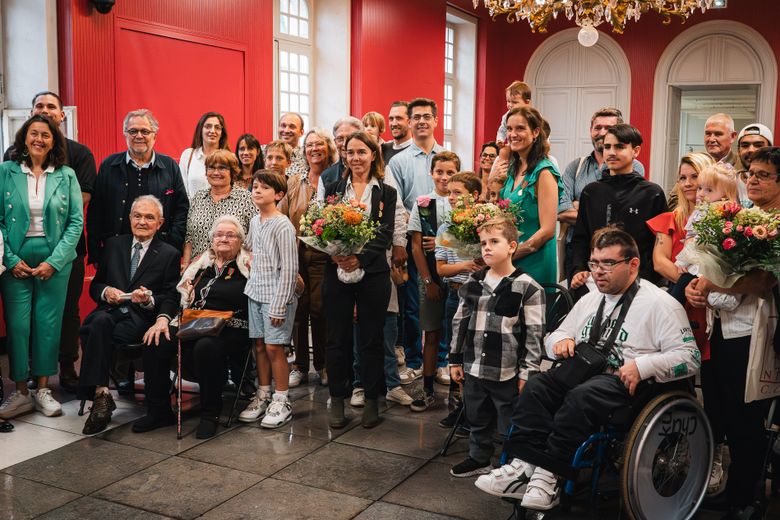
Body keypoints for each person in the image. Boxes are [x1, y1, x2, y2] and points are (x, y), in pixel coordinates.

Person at [477, 227, 700, 512]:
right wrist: (562, 341)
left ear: (633, 264)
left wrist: (643, 366)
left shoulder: (661, 305)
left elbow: (690, 357)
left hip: (626, 383)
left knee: (582, 396)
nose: (598, 272)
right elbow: (553, 337)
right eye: (594, 263)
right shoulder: (591, 299)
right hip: (584, 371)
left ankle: (550, 475)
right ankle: (524, 466)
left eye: (608, 263)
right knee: (538, 386)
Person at [687, 146, 780, 518]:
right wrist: (700, 284)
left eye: (763, 174)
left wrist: (714, 287)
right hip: (724, 328)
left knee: (748, 419)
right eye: (749, 173)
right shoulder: (741, 217)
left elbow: (763, 281)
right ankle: (734, 490)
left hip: (759, 331)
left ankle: (748, 496)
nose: (752, 179)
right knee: (721, 411)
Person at [2, 91, 98, 394]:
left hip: (60, 253)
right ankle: (22, 385)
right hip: (15, 254)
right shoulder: (7, 167)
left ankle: (55, 379)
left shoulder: (72, 166)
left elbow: (77, 213)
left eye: (46, 134)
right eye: (34, 132)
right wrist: (9, 258)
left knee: (55, 319)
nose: (39, 138)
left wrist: (55, 260)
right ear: (25, 133)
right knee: (18, 323)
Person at [646, 155, 728, 496]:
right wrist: (689, 279)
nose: (689, 183)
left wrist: (701, 283)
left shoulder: (719, 217)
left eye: (696, 177)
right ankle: (666, 450)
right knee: (673, 380)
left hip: (710, 305)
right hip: (679, 303)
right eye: (683, 177)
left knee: (712, 386)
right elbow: (660, 260)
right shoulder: (675, 218)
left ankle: (713, 455)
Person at [137, 215, 251, 438]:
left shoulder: (248, 265)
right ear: (211, 239)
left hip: (232, 327)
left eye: (230, 235)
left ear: (241, 240)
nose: (224, 239)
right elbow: (177, 295)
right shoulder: (201, 265)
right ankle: (158, 411)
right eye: (219, 234)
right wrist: (162, 320)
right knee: (155, 339)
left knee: (206, 346)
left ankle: (210, 413)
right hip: (193, 322)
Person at [448, 216, 545, 477]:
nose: (487, 248)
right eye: (483, 244)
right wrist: (454, 360)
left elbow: (535, 335)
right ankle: (478, 458)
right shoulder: (473, 282)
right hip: (474, 366)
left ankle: (509, 464)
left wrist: (528, 371)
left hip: (507, 370)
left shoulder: (528, 287)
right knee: (476, 415)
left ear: (512, 246)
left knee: (508, 419)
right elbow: (460, 322)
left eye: (494, 242)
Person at [74, 195, 180, 434]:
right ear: (130, 218)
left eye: (149, 217)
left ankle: (99, 396)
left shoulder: (168, 253)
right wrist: (106, 292)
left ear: (160, 223)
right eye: (138, 216)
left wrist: (149, 300)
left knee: (92, 327)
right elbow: (96, 285)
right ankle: (101, 393)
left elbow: (172, 296)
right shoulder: (114, 245)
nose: (142, 221)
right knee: (99, 321)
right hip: (110, 312)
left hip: (139, 319)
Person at [321, 131, 398, 429]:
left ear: (373, 155)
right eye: (350, 152)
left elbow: (386, 232)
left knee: (371, 339)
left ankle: (371, 401)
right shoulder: (332, 188)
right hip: (336, 270)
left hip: (374, 273)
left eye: (361, 152)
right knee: (336, 339)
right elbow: (321, 226)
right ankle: (337, 400)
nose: (355, 158)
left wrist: (360, 258)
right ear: (344, 156)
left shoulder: (386, 192)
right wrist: (337, 254)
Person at [386, 98, 445, 385]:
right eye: (416, 117)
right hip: (413, 240)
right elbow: (396, 202)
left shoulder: (447, 157)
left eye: (427, 116)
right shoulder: (397, 162)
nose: (422, 121)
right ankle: (413, 359)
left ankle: (443, 360)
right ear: (410, 123)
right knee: (412, 305)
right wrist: (417, 227)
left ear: (436, 120)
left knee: (443, 301)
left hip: (445, 242)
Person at [570, 124, 667, 292]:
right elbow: (581, 238)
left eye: (619, 147)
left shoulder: (652, 193)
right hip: (595, 282)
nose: (611, 152)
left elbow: (660, 244)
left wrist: (646, 278)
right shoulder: (591, 192)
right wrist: (578, 270)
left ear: (635, 151)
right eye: (607, 147)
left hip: (639, 283)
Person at [87, 109, 189, 265]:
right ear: (125, 134)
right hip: (115, 253)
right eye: (133, 131)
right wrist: (96, 253)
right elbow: (95, 212)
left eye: (145, 131)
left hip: (160, 252)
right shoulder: (109, 165)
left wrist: (173, 244)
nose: (139, 136)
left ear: (154, 135)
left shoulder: (170, 166)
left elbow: (181, 209)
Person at [238, 171, 298, 428]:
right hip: (255, 293)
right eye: (255, 186)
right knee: (259, 346)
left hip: (276, 296)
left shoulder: (283, 224)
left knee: (275, 348)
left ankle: (282, 399)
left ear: (279, 195)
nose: (257, 190)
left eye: (264, 187)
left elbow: (289, 268)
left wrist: (279, 304)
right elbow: (250, 246)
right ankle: (263, 394)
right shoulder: (254, 220)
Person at [279, 128, 337, 387]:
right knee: (299, 310)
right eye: (309, 145)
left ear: (328, 149)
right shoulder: (294, 180)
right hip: (297, 252)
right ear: (304, 151)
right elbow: (282, 213)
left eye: (319, 145)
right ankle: (300, 365)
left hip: (324, 254)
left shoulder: (336, 178)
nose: (314, 149)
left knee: (321, 308)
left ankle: (323, 365)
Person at [557, 107, 644, 279]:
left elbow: (623, 214)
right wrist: (590, 210)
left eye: (608, 128)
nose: (602, 133)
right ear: (591, 130)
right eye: (597, 128)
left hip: (617, 258)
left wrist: (583, 207)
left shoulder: (635, 166)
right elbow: (561, 210)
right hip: (578, 254)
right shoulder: (576, 167)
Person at [407, 151, 459, 411]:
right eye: (439, 172)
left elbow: (468, 241)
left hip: (460, 277)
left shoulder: (463, 202)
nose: (444, 177)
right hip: (431, 276)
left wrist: (439, 242)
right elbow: (416, 246)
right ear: (431, 173)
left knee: (457, 336)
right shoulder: (424, 203)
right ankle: (427, 389)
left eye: (450, 172)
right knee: (431, 332)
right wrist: (428, 281)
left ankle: (457, 392)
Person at [436, 172, 483, 426]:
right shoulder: (446, 227)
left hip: (480, 295)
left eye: (458, 193)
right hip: (455, 293)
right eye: (449, 193)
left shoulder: (484, 224)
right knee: (456, 349)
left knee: (475, 351)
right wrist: (466, 264)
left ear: (475, 196)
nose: (451, 197)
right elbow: (441, 269)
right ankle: (458, 407)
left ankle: (475, 409)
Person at [498, 106, 562, 287]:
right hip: (510, 262)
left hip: (535, 262)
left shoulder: (544, 172)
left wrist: (511, 254)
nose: (513, 134)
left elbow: (548, 230)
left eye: (520, 128)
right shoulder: (512, 168)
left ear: (535, 132)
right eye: (509, 129)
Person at [182, 150, 256, 270]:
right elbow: (189, 237)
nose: (216, 172)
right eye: (211, 168)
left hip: (233, 271)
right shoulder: (198, 198)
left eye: (222, 168)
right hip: (198, 271)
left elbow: (255, 237)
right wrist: (185, 264)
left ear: (232, 172)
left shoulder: (246, 198)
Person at [179, 112, 230, 197]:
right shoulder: (188, 155)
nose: (212, 131)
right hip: (192, 209)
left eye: (217, 127)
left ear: (222, 133)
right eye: (208, 126)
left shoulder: (229, 158)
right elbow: (182, 190)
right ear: (200, 130)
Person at [491, 81, 533, 181]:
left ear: (527, 102)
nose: (510, 105)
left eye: (514, 102)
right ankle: (503, 172)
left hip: (532, 145)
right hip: (513, 145)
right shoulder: (506, 116)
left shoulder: (532, 116)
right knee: (503, 150)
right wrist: (500, 140)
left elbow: (543, 130)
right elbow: (502, 129)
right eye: (508, 101)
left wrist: (545, 142)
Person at [318, 117, 364, 197]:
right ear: (335, 142)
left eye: (350, 138)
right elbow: (320, 208)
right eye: (340, 139)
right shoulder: (326, 176)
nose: (345, 144)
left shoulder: (379, 172)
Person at [267, 112, 308, 177]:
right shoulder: (264, 151)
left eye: (292, 127)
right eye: (283, 126)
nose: (286, 130)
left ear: (301, 132)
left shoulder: (307, 156)